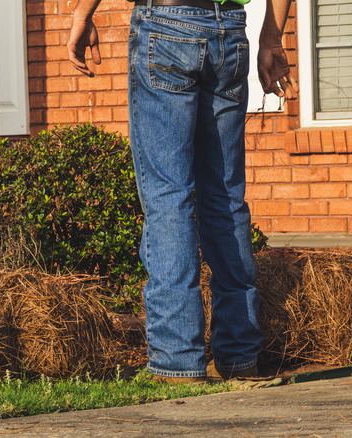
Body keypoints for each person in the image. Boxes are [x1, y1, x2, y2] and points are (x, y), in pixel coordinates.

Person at [67, 0, 298, 383]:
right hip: (229, 31)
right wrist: (271, 38)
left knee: (168, 198)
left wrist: (81, 14)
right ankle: (240, 357)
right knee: (225, 197)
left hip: (167, 25)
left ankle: (177, 360)